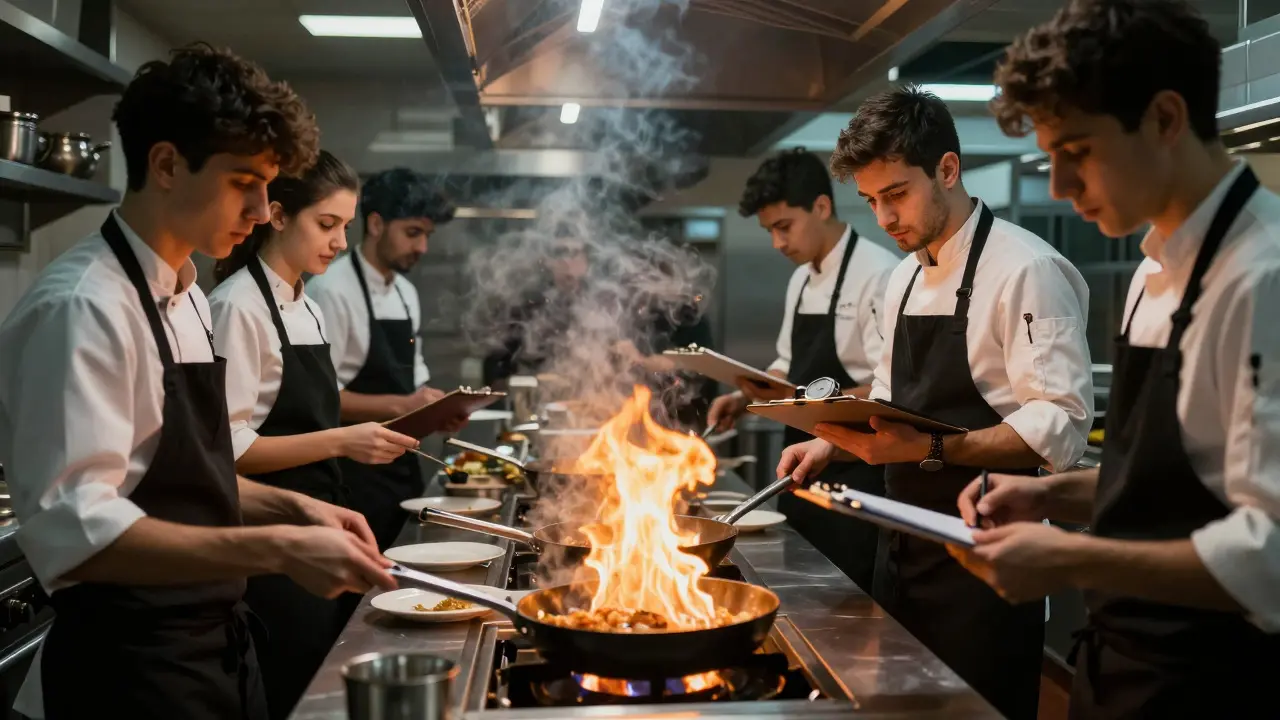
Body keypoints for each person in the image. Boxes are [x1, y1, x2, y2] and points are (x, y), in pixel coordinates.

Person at [0, 45, 396, 720]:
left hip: (208, 648)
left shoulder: (183, 296)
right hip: (127, 675)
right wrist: (275, 547)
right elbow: (79, 530)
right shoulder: (84, 305)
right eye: (244, 180)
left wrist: (293, 509)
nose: (262, 206)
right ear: (164, 164)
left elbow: (183, 479)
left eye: (270, 184)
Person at [948, 1, 1280, 717]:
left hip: (1217, 685)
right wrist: (1049, 495)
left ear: (1164, 118)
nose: (1061, 188)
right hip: (1120, 667)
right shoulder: (1151, 270)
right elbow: (1170, 491)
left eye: (1077, 152)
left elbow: (1270, 556)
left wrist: (1070, 557)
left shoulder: (1264, 278)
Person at [777, 86, 1095, 719]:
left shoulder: (1025, 268)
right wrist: (831, 438)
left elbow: (1060, 427)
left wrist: (932, 447)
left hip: (988, 568)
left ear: (947, 169)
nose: (884, 219)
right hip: (902, 547)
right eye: (870, 202)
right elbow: (892, 398)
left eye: (896, 195)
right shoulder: (901, 278)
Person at [208, 150, 419, 718]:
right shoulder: (236, 308)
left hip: (323, 522)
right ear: (277, 216)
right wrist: (342, 441)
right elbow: (226, 452)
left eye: (345, 227)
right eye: (326, 225)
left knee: (320, 686)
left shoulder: (308, 306)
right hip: (270, 546)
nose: (339, 242)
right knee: (291, 691)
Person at [707, 148, 898, 592]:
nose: (777, 243)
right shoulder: (800, 279)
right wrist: (746, 398)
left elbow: (889, 384)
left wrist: (824, 411)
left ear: (822, 206)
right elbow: (786, 365)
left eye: (783, 226)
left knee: (851, 599)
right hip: (799, 464)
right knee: (803, 586)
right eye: (769, 231)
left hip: (856, 470)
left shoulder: (879, 274)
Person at [307, 167, 462, 551]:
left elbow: (414, 382)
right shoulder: (330, 290)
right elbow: (322, 399)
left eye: (427, 235)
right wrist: (404, 405)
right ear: (376, 224)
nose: (422, 247)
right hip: (352, 477)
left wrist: (440, 408)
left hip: (402, 467)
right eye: (413, 233)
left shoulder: (406, 292)